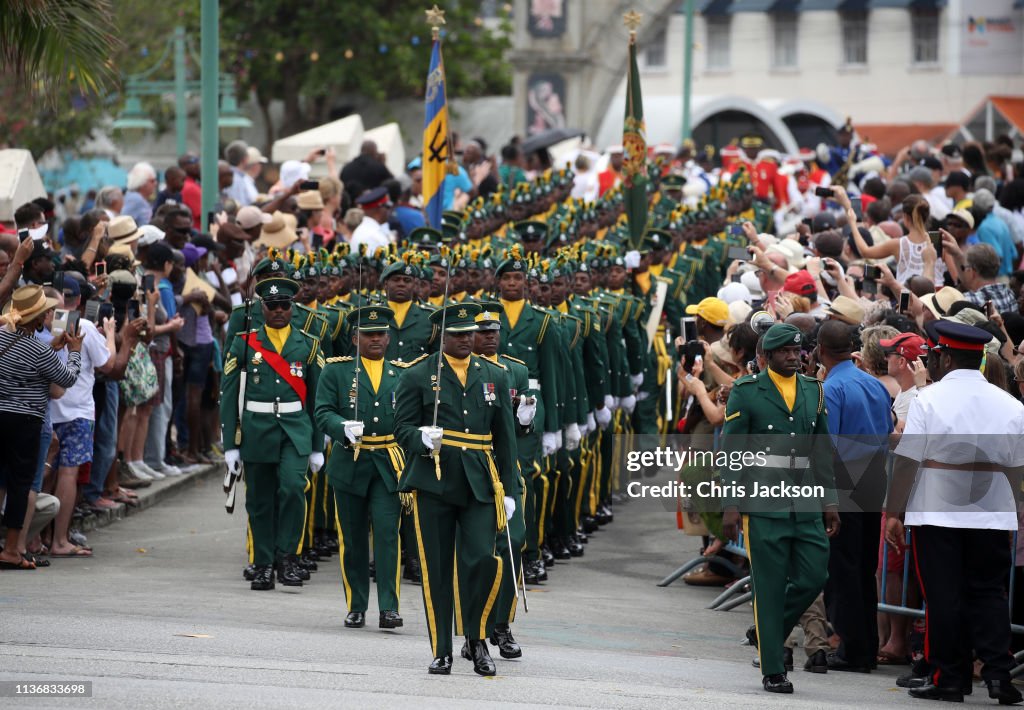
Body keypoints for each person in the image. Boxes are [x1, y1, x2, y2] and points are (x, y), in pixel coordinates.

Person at [885, 320, 1024, 704]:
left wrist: (894, 512)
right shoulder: (1010, 403)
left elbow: (908, 461)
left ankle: (949, 677)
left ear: (944, 357)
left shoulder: (928, 399)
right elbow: (1018, 466)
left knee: (944, 597)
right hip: (992, 510)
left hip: (937, 510)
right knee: (989, 594)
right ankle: (999, 675)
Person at [393, 302, 521, 676]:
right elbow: (401, 427)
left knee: (482, 560)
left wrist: (509, 490)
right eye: (459, 334)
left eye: (471, 334)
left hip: (480, 481)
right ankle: (442, 649)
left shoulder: (495, 374)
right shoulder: (418, 375)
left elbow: (506, 438)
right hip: (434, 479)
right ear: (441, 336)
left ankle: (477, 638)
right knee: (435, 568)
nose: (467, 340)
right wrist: (420, 438)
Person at [721, 323, 840, 694]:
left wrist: (831, 501)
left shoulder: (814, 391)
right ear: (767, 356)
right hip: (762, 505)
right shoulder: (746, 391)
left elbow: (821, 449)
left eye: (797, 350)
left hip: (805, 504)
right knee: (769, 588)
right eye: (785, 351)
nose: (793, 356)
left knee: (813, 576)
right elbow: (732, 452)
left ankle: (765, 630)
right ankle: (774, 669)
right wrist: (729, 503)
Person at [220, 276, 325, 591]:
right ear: (261, 307)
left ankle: (288, 557)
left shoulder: (308, 344)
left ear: (292, 306)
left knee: (293, 488)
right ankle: (264, 563)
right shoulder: (244, 342)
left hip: (295, 429)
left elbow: (317, 398)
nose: (279, 310)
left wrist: (318, 445)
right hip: (257, 430)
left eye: (285, 305)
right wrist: (230, 446)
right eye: (272, 305)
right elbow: (228, 396)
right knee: (260, 500)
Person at [314, 305, 406, 630]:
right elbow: (322, 412)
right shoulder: (337, 371)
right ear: (355, 338)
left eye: (381, 333)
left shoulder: (402, 372)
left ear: (389, 337)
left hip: (387, 464)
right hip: (350, 463)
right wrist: (341, 427)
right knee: (352, 538)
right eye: (369, 334)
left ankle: (389, 607)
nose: (376, 339)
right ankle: (356, 604)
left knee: (386, 533)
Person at [816, 320, 893, 673]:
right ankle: (864, 646)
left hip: (844, 483)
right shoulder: (873, 385)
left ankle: (852, 647)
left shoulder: (831, 389)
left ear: (820, 350)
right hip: (873, 480)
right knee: (863, 568)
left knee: (843, 570)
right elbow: (888, 430)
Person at [0, 285, 82, 570]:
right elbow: (67, 378)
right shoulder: (37, 349)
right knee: (21, 485)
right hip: (25, 423)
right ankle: (11, 550)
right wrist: (74, 351)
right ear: (37, 319)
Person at [350, 187, 393, 255]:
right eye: (387, 207)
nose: (389, 211)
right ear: (380, 209)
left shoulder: (367, 230)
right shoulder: (373, 236)